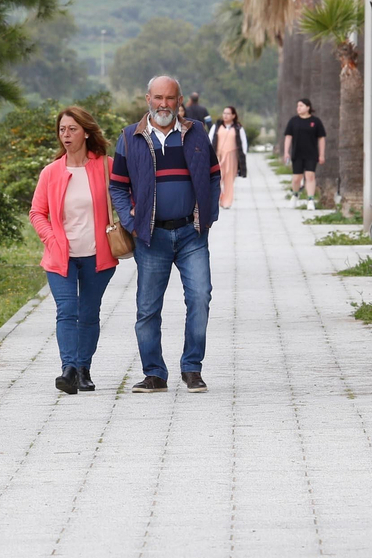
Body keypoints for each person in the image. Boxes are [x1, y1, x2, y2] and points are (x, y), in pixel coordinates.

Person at [109, 75, 221, 394]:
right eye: (158, 97)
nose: (163, 104)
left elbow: (214, 176)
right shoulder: (130, 137)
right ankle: (154, 374)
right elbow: (117, 185)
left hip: (191, 234)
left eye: (170, 98)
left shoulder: (196, 133)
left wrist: (208, 216)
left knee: (200, 298)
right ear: (148, 99)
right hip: (151, 237)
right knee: (148, 308)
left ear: (179, 100)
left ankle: (192, 369)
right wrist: (131, 222)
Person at [29, 107, 120, 395]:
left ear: (86, 132)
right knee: (66, 312)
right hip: (61, 257)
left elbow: (127, 197)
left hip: (98, 256)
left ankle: (83, 369)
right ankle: (68, 369)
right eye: (62, 130)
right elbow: (37, 213)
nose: (65, 135)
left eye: (72, 129)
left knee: (89, 314)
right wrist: (51, 239)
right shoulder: (51, 172)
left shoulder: (107, 166)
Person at [281, 98, 326, 199]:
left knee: (310, 176)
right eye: (297, 106)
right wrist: (286, 152)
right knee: (297, 178)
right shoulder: (293, 121)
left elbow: (321, 138)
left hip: (311, 153)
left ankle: (310, 199)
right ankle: (295, 194)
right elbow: (288, 137)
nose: (298, 108)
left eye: (301, 106)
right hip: (297, 153)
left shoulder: (316, 121)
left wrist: (322, 154)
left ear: (308, 107)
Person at [208, 106, 249, 209]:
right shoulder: (217, 126)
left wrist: (242, 155)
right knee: (217, 179)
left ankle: (227, 202)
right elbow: (210, 138)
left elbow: (243, 142)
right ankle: (218, 198)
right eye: (224, 113)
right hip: (218, 156)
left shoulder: (238, 128)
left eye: (228, 113)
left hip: (232, 156)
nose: (225, 115)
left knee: (229, 180)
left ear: (233, 115)